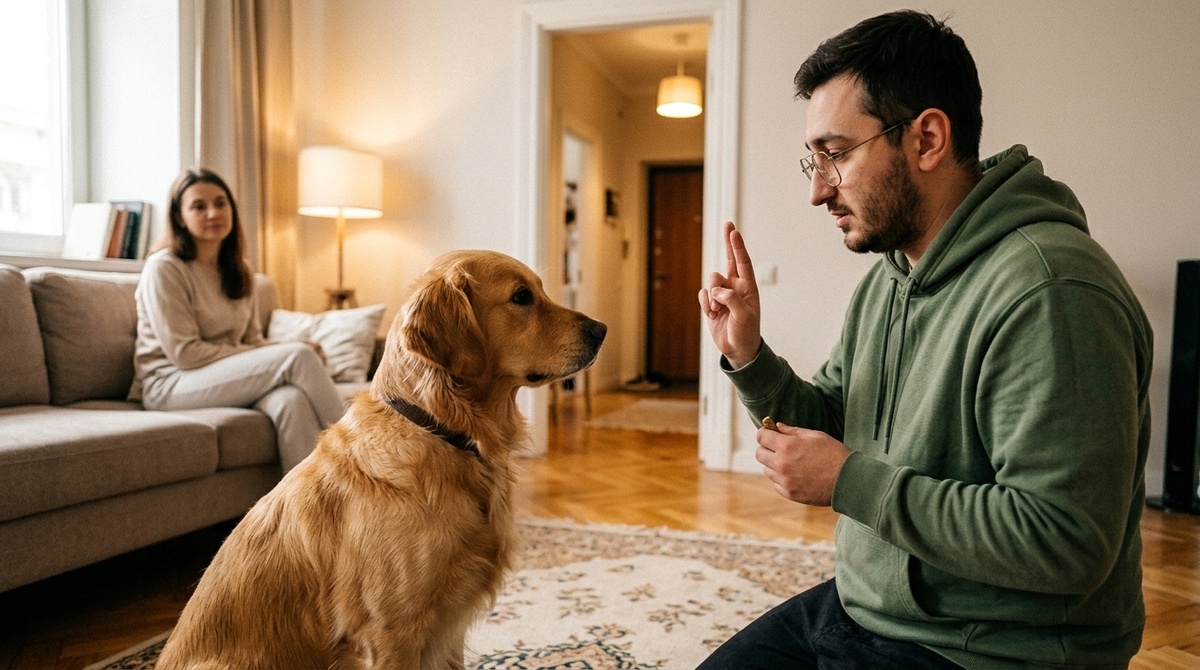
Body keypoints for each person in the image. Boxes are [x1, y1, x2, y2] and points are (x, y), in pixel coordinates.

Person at [697, 10, 1152, 669]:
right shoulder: (889, 281)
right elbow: (833, 425)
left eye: (836, 154)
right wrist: (748, 355)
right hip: (866, 607)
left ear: (928, 139)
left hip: (991, 649)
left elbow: (1065, 541)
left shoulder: (1051, 291)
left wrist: (850, 481)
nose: (818, 190)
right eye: (813, 160)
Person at [135, 168, 345, 472]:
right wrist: (286, 352)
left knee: (290, 401)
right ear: (180, 218)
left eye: (221, 203)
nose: (213, 213)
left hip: (222, 377)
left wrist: (285, 346)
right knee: (297, 357)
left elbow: (252, 341)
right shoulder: (164, 268)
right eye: (199, 206)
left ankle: (315, 500)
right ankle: (361, 451)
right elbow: (185, 354)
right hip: (170, 382)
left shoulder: (238, 269)